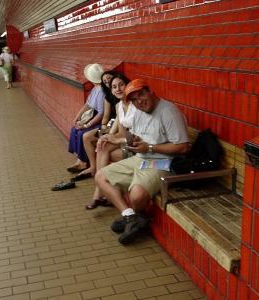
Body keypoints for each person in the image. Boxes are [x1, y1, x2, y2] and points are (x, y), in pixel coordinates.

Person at [95, 79, 190, 244]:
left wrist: (150, 148)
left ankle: (136, 217)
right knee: (101, 176)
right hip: (141, 157)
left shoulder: (168, 112)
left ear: (150, 91)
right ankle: (130, 217)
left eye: (141, 95)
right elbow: (137, 136)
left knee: (137, 196)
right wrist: (115, 139)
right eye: (134, 99)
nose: (139, 101)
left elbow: (183, 147)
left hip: (163, 162)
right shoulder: (138, 111)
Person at [85, 73, 135, 209]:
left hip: (138, 146)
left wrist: (112, 138)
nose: (118, 89)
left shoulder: (135, 105)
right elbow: (120, 131)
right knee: (103, 146)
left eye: (121, 85)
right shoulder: (119, 106)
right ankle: (100, 194)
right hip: (127, 141)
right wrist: (106, 137)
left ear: (128, 85)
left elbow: (131, 136)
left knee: (106, 153)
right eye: (114, 87)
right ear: (111, 90)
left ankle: (98, 193)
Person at [72, 70, 119, 179]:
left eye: (110, 79)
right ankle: (93, 167)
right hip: (109, 126)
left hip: (119, 129)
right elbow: (106, 117)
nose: (108, 82)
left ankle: (96, 171)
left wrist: (108, 132)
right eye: (106, 82)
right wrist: (104, 128)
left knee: (97, 141)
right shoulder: (108, 97)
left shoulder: (122, 98)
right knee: (86, 136)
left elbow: (118, 119)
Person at [67, 63, 106, 175]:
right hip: (92, 118)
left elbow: (101, 114)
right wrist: (76, 118)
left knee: (82, 133)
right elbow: (87, 105)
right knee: (75, 129)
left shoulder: (102, 91)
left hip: (98, 120)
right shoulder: (95, 88)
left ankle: (84, 162)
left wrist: (86, 125)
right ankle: (80, 160)